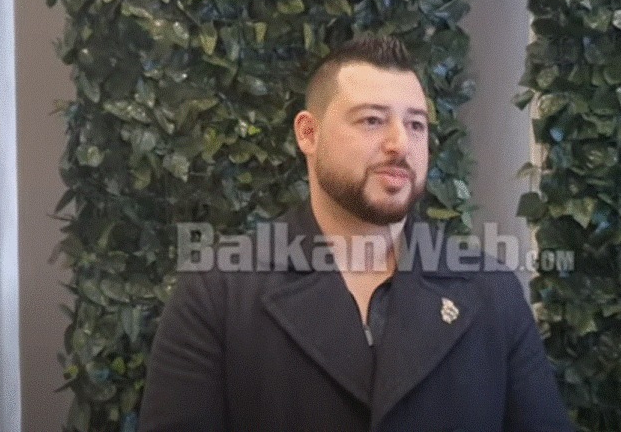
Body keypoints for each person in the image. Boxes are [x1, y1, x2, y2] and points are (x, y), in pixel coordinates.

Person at [138, 35, 574, 431]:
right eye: (371, 121)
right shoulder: (218, 294)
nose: (400, 144)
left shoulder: (490, 293)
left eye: (416, 125)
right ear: (308, 133)